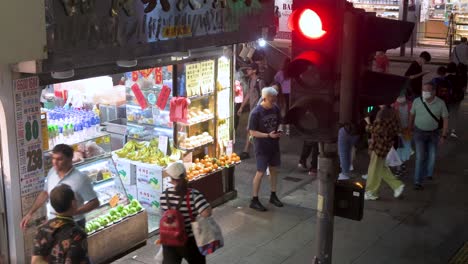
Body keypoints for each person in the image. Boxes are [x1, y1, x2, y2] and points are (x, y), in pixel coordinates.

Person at [21, 144, 99, 230]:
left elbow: (94, 202)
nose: (54, 162)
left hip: (74, 224)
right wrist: (30, 213)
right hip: (53, 222)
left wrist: (74, 212)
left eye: (59, 159)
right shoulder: (52, 172)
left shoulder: (81, 179)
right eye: (53, 158)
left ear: (70, 159)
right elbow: (45, 193)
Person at [160, 162, 212, 264]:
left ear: (171, 178)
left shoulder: (164, 195)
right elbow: (206, 213)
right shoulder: (194, 194)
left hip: (169, 240)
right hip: (189, 240)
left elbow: (163, 215)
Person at [32, 184, 90, 264]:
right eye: (75, 199)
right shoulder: (77, 234)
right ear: (73, 203)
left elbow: (35, 261)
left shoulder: (42, 229)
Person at [249, 87, 284, 211]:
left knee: (274, 169)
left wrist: (278, 131)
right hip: (262, 146)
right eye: (271, 100)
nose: (273, 102)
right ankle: (254, 199)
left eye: (274, 99)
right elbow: (252, 132)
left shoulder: (275, 108)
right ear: (264, 98)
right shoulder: (256, 113)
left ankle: (273, 195)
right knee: (261, 172)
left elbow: (279, 122)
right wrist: (268, 135)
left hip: (274, 144)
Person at [409, 83, 449, 190]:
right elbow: (412, 115)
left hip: (434, 133)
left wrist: (443, 135)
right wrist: (409, 129)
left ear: (434, 92)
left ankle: (428, 173)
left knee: (432, 155)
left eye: (427, 90)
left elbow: (445, 119)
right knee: (420, 157)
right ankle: (417, 181)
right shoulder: (417, 101)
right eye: (423, 90)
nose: (424, 93)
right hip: (419, 132)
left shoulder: (440, 103)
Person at [364, 107, 405, 200]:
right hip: (385, 148)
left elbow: (374, 129)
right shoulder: (394, 121)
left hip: (378, 148)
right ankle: (397, 186)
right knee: (381, 169)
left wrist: (368, 123)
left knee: (373, 170)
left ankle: (371, 191)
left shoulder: (382, 121)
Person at [237, 63, 265, 160]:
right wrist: (241, 107)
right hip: (253, 109)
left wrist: (259, 108)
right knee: (252, 130)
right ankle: (255, 149)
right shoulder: (250, 81)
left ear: (254, 70)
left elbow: (264, 96)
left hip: (257, 110)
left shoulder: (260, 82)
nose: (247, 71)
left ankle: (246, 151)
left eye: (249, 69)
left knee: (250, 130)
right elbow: (248, 94)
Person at [393, 95, 413, 176]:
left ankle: (401, 164)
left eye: (402, 103)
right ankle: (399, 168)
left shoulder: (410, 105)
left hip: (407, 131)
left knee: (406, 149)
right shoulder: (394, 107)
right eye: (399, 103)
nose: (401, 104)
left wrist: (411, 128)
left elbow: (413, 117)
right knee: (399, 150)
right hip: (399, 132)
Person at [274, 58, 292, 135]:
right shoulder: (292, 73)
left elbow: (275, 80)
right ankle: (288, 129)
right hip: (291, 94)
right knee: (289, 111)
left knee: (281, 110)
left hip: (282, 93)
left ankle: (280, 127)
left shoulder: (280, 73)